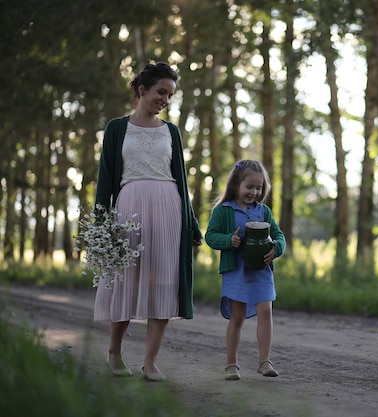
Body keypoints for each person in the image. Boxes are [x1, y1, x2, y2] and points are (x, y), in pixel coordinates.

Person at [93, 62, 203, 382]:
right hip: (129, 210)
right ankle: (115, 351)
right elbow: (105, 181)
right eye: (161, 92)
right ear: (142, 90)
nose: (165, 100)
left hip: (169, 209)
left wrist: (192, 224)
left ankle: (151, 361)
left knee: (164, 286)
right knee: (126, 283)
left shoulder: (172, 132)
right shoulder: (116, 128)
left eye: (170, 95)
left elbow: (181, 180)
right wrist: (102, 224)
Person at [205, 160, 286, 380]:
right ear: (236, 184)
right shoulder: (223, 210)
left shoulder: (264, 212)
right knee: (237, 317)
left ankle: (265, 361)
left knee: (266, 311)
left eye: (259, 187)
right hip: (236, 271)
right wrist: (228, 240)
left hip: (262, 271)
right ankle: (232, 364)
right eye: (249, 186)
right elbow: (210, 236)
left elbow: (279, 236)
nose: (254, 192)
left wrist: (276, 248)